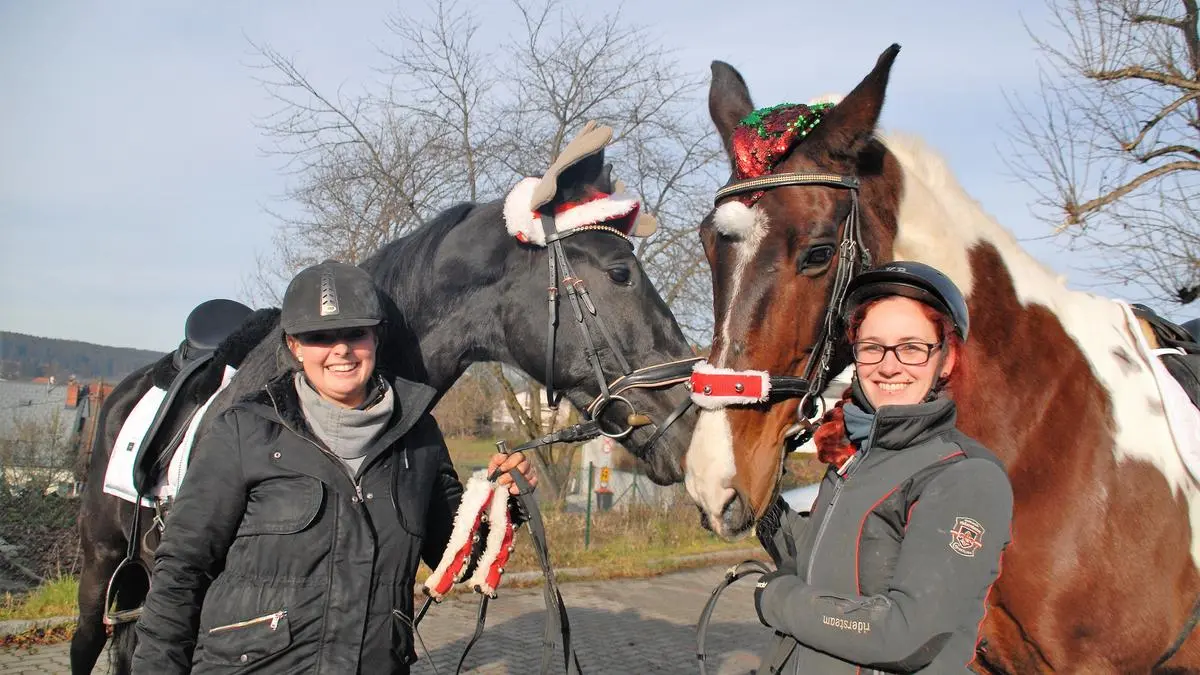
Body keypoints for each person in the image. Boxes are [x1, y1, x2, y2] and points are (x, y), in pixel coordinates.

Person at [132, 260, 535, 674]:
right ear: (295, 347)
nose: (340, 349)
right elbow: (182, 571)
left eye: (355, 333)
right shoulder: (243, 431)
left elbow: (458, 558)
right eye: (319, 337)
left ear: (375, 338)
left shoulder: (420, 435)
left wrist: (499, 500)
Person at [752, 261, 1014, 674]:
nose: (888, 365)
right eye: (872, 347)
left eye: (911, 347)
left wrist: (776, 600)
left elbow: (904, 635)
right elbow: (821, 565)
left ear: (945, 360)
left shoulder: (965, 476)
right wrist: (758, 505)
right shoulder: (858, 458)